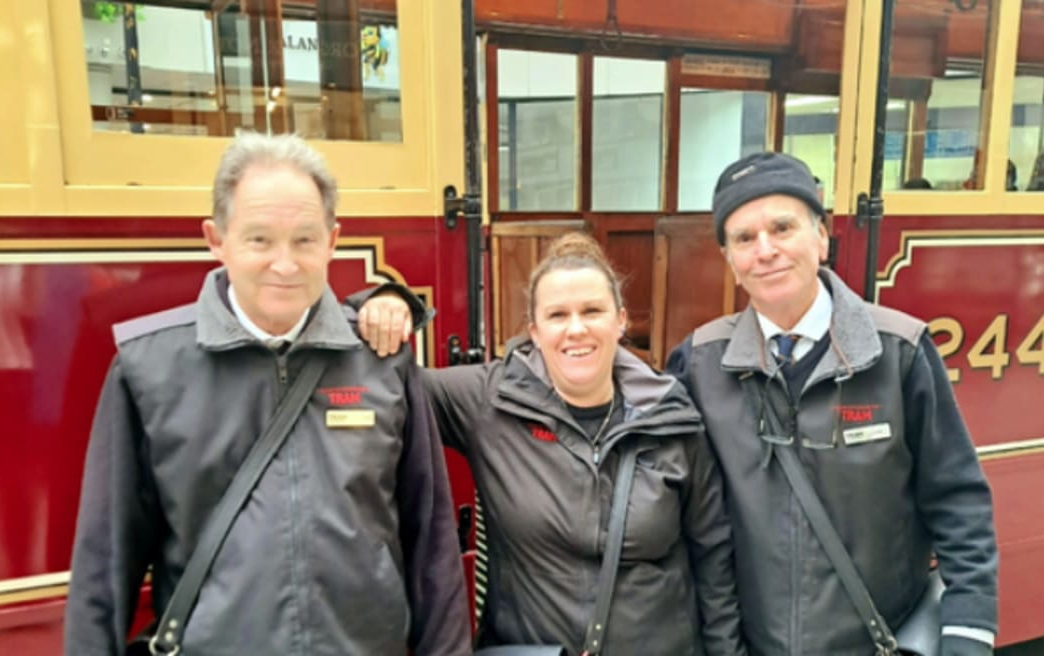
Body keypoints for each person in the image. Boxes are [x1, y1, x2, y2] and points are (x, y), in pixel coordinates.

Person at [64, 134, 470, 656]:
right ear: (217, 239)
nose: (285, 264)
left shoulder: (382, 362)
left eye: (304, 240)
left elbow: (430, 544)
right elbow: (105, 565)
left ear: (332, 240)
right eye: (260, 240)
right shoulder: (148, 369)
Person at [665, 151, 998, 655]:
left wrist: (968, 635)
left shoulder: (898, 352)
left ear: (821, 236)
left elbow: (958, 501)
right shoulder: (698, 365)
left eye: (782, 228)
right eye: (744, 239)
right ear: (729, 261)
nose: (766, 250)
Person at [357, 233, 745, 655]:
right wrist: (385, 302)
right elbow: (388, 390)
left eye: (592, 311)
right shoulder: (489, 400)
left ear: (620, 321)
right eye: (557, 315)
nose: (576, 329)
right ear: (534, 332)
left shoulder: (673, 417)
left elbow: (713, 560)